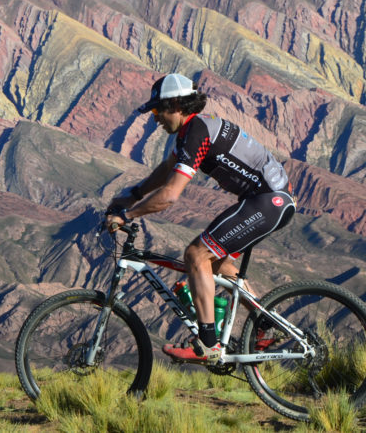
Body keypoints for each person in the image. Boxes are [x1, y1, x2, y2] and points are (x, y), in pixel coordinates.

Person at [105, 73, 295, 363]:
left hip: (270, 201)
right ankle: (265, 325)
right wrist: (132, 194)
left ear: (177, 105)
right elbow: (167, 169)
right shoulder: (190, 132)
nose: (154, 118)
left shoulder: (197, 132)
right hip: (267, 200)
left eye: (158, 110)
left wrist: (128, 215)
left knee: (196, 254)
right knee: (215, 262)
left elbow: (170, 195)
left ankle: (208, 344)